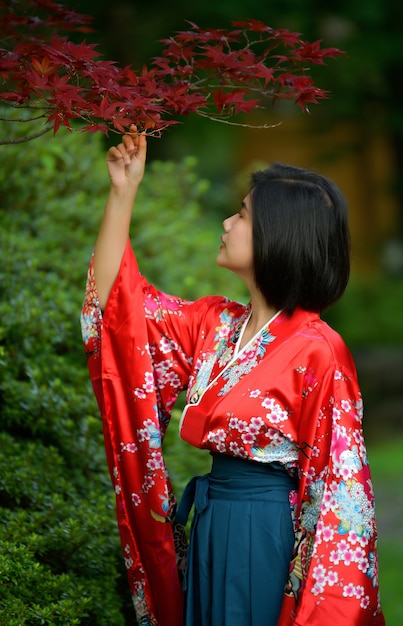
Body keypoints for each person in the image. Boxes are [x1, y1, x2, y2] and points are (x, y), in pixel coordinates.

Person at [81, 127, 385, 626]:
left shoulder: (319, 350)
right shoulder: (215, 324)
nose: (226, 222)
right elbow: (121, 311)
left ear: (277, 236)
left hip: (265, 534)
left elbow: (341, 491)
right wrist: (123, 190)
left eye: (241, 214)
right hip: (213, 524)